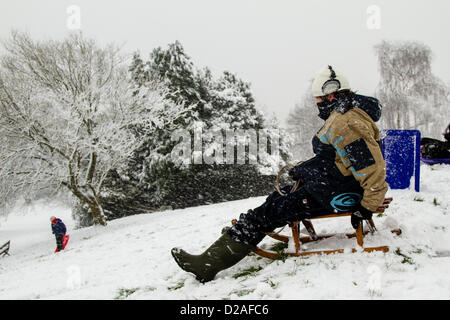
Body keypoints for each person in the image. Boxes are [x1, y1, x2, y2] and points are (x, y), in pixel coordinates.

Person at [171, 65, 388, 283]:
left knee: (272, 210)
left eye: (319, 100)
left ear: (331, 94)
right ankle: (240, 235)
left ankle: (211, 262)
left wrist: (366, 207)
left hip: (338, 194)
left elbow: (371, 167)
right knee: (280, 195)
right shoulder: (344, 114)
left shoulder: (345, 122)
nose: (317, 105)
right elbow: (338, 159)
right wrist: (304, 169)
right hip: (330, 186)